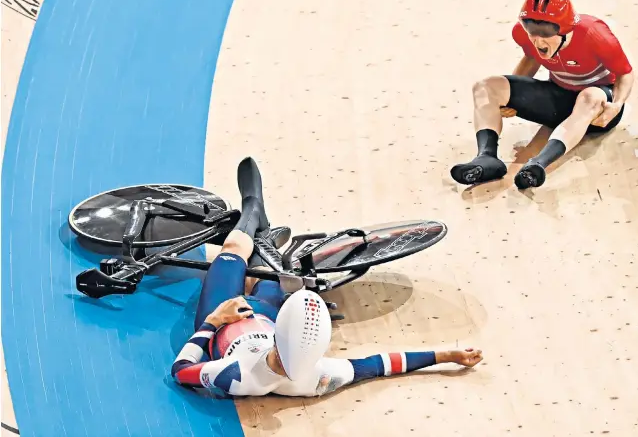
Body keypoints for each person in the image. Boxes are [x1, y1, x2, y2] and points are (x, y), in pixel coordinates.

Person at [171, 157, 483, 397]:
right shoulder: (315, 377)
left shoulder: (237, 376)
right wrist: (446, 354)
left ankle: (252, 212)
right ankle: (261, 229)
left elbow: (180, 370)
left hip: (225, 316)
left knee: (234, 249)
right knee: (277, 268)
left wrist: (213, 321)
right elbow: (378, 365)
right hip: (265, 314)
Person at [450, 0, 635, 190]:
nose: (537, 39)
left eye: (545, 31)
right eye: (531, 29)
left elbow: (625, 73)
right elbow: (531, 59)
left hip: (598, 110)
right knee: (486, 87)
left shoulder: (595, 33)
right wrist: (508, 99)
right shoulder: (523, 35)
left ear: (565, 29)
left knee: (589, 96)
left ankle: (538, 164)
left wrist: (617, 105)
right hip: (559, 101)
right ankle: (486, 157)